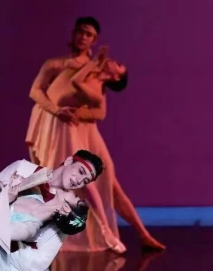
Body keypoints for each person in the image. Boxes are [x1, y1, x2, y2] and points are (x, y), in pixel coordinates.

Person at [26, 16, 165, 254]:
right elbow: (36, 91)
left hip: (84, 133)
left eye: (88, 34)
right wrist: (58, 110)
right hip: (60, 128)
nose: (83, 37)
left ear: (94, 40)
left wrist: (76, 112)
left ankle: (142, 234)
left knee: (109, 185)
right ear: (73, 33)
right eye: (80, 31)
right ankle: (45, 234)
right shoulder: (57, 64)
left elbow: (99, 111)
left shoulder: (95, 72)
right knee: (52, 181)